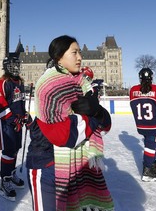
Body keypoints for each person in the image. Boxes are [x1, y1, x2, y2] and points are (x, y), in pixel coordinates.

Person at [26, 35, 113, 211]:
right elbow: (65, 136)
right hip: (47, 165)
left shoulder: (83, 84)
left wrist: (97, 111)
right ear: (59, 56)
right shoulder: (48, 88)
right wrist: (94, 116)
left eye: (80, 52)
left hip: (77, 169)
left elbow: (106, 125)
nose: (80, 57)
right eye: (74, 52)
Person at [0, 56, 30, 201]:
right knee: (8, 151)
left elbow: (19, 102)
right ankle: (5, 180)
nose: (17, 67)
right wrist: (12, 118)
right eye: (14, 65)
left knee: (15, 149)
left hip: (17, 122)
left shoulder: (19, 82)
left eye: (18, 65)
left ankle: (12, 173)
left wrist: (24, 115)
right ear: (7, 66)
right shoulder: (2, 83)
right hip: (5, 122)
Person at [129, 68, 156, 182]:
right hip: (155, 123)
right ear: (151, 77)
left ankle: (152, 165)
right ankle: (147, 170)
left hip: (141, 124)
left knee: (150, 144)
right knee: (151, 146)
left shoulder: (133, 89)